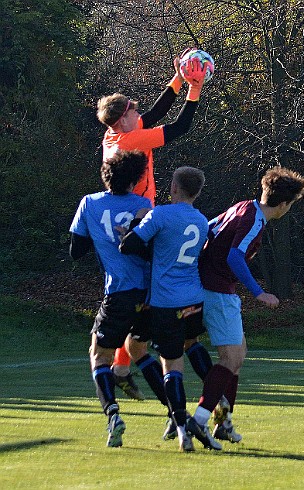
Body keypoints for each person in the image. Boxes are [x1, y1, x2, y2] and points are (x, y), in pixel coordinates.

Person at [96, 49, 209, 400]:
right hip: (140, 220)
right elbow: (179, 126)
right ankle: (142, 357)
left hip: (126, 217)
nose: (137, 110)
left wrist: (179, 76)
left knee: (136, 291)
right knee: (149, 293)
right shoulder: (129, 139)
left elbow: (156, 113)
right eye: (131, 109)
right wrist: (195, 87)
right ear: (121, 121)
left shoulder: (113, 136)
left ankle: (121, 367)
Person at [185, 166, 304, 450]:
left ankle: (223, 423)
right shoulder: (254, 220)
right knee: (230, 359)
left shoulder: (242, 207)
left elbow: (208, 231)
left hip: (205, 286)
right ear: (285, 204)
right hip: (217, 292)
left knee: (238, 354)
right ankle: (200, 420)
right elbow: (234, 257)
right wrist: (259, 292)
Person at [119, 166, 209, 452]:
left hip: (166, 301)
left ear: (173, 187)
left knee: (170, 364)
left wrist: (131, 227)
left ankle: (181, 427)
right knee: (189, 343)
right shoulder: (202, 220)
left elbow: (129, 247)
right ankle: (216, 397)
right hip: (194, 298)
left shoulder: (161, 214)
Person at [68, 150, 154, 447]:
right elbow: (148, 246)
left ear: (106, 175)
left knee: (99, 354)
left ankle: (113, 414)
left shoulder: (90, 203)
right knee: (139, 350)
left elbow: (75, 252)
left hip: (118, 291)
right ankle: (175, 415)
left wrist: (99, 236)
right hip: (147, 292)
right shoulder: (144, 204)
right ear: (137, 178)